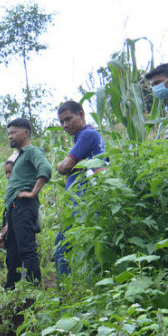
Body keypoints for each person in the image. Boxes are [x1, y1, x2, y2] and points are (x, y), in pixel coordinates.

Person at [52, 100, 106, 276]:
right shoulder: (85, 137)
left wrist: (66, 167)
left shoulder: (87, 135)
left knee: (62, 243)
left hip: (83, 197)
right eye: (61, 122)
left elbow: (64, 167)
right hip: (88, 196)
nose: (65, 125)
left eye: (68, 119)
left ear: (81, 115)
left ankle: (65, 288)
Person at [0, 118, 51, 289]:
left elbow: (46, 169)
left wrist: (33, 192)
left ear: (26, 133)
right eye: (8, 134)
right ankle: (10, 290)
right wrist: (7, 223)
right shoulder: (19, 158)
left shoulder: (32, 151)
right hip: (14, 209)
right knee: (12, 252)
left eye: (13, 133)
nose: (10, 137)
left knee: (26, 248)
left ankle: (33, 291)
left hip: (24, 206)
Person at [0, 152, 19, 249]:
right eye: (6, 173)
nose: (7, 176)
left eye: (10, 172)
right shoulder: (11, 192)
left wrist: (8, 227)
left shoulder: (21, 192)